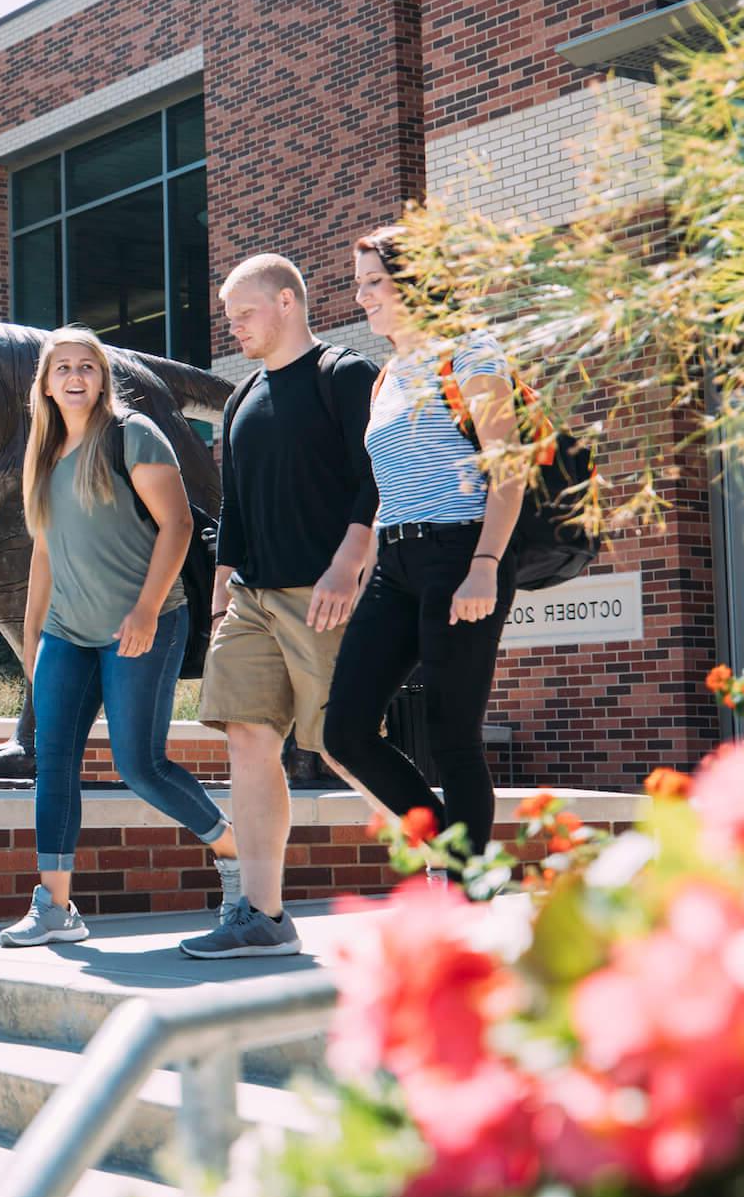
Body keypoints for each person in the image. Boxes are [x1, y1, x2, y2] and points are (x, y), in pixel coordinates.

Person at [179, 255, 381, 960]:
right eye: (229, 317)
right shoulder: (241, 398)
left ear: (288, 301)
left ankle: (457, 872)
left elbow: (376, 476)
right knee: (247, 739)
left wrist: (348, 565)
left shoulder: (345, 376)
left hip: (322, 594)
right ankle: (262, 913)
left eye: (245, 313)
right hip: (249, 601)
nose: (233, 327)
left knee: (349, 744)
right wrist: (217, 603)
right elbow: (233, 511)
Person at [1, 327, 228, 948]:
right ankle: (55, 906)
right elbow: (44, 552)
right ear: (45, 384)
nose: (75, 377)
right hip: (68, 633)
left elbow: (178, 525)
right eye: (62, 368)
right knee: (53, 763)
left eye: (88, 367)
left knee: (140, 765)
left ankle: (234, 852)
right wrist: (31, 635)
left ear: (102, 378)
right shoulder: (43, 454)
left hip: (143, 624)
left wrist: (148, 610)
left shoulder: (133, 434)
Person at [320, 226, 527, 849]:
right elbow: (390, 485)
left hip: (462, 551)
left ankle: (469, 892)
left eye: (374, 281)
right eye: (359, 284)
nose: (362, 296)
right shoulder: (387, 379)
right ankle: (457, 851)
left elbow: (509, 466)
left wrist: (486, 563)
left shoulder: (470, 353)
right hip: (398, 563)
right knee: (345, 733)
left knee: (451, 735)